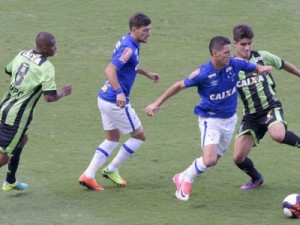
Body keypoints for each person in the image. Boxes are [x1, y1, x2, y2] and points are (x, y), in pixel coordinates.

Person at [145, 36, 272, 201]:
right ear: (215, 53)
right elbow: (178, 85)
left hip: (230, 120)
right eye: (226, 53)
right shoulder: (203, 73)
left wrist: (261, 69)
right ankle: (186, 182)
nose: (229, 55)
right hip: (210, 120)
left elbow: (253, 66)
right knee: (209, 159)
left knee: (213, 160)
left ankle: (181, 176)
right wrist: (156, 103)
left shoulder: (234, 64)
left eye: (229, 52)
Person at [78, 12, 160, 191]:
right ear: (134, 29)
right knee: (139, 137)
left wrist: (147, 73)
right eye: (145, 30)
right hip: (115, 102)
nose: (149, 33)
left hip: (104, 97)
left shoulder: (129, 42)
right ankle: (111, 169)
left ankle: (88, 175)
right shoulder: (128, 47)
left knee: (112, 138)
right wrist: (119, 93)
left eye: (149, 30)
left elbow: (131, 64)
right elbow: (109, 70)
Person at [0, 32, 72, 191]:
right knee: (3, 156)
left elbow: (8, 69)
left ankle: (10, 180)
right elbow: (49, 97)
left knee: (22, 139)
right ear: (45, 48)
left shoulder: (22, 54)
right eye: (54, 46)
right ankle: (9, 180)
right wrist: (63, 92)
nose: (56, 48)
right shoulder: (46, 67)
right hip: (16, 117)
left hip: (3, 107)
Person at [232, 24, 300, 191]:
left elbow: (284, 65)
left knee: (277, 135)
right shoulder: (231, 67)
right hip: (251, 116)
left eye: (249, 43)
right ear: (235, 44)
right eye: (243, 44)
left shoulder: (263, 57)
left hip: (270, 107)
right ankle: (257, 178)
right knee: (238, 157)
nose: (247, 47)